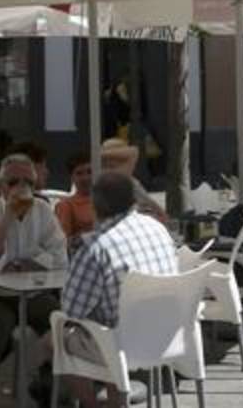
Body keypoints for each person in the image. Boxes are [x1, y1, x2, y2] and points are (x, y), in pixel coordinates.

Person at [55, 170, 178, 408]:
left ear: (94, 206)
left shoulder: (96, 247)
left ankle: (90, 404)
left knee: (54, 339)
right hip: (166, 335)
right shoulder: (158, 229)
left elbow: (71, 309)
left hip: (121, 345)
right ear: (134, 201)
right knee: (108, 322)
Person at [0, 154, 67, 408]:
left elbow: (59, 254)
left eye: (28, 183)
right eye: (14, 182)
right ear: (1, 185)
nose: (22, 189)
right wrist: (7, 217)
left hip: (32, 293)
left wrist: (26, 263)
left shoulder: (43, 211)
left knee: (61, 323)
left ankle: (46, 384)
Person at [100, 138, 168, 223]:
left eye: (113, 166)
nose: (109, 170)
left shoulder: (132, 182)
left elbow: (156, 209)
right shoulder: (101, 185)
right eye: (106, 166)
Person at [54, 151, 94, 249]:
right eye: (79, 173)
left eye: (89, 172)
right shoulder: (66, 205)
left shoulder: (107, 201)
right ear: (72, 177)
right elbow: (62, 243)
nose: (85, 178)